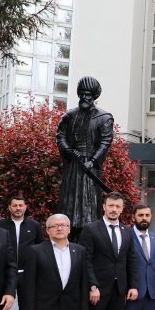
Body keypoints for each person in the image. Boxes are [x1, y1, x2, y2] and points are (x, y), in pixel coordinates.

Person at [56, 76, 115, 229]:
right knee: (69, 203)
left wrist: (93, 161)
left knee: (89, 203)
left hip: (90, 168)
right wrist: (68, 150)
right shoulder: (69, 116)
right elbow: (60, 136)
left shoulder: (104, 118)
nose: (84, 97)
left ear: (94, 96)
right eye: (81, 94)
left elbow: (105, 142)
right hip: (72, 166)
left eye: (87, 94)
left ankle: (89, 230)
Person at [0, 195, 45, 310]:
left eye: (20, 205)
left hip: (27, 272)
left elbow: (41, 248)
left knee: (26, 305)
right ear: (9, 207)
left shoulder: (34, 225)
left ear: (25, 207)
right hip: (5, 273)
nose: (18, 208)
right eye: (15, 205)